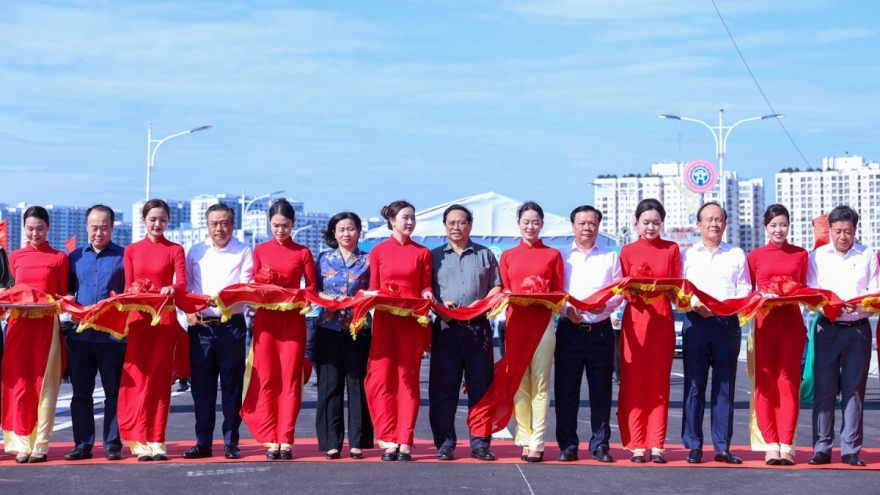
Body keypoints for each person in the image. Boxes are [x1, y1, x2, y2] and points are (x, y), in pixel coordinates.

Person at [242, 198, 316, 460]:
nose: (280, 231)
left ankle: (286, 437)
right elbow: (252, 283)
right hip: (266, 323)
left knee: (290, 381)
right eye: (275, 225)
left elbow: (312, 288)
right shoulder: (260, 250)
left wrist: (298, 296)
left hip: (293, 322)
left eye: (285, 225)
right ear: (269, 224)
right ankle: (271, 438)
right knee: (267, 379)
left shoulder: (303, 252)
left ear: (293, 224)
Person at [806, 205, 878, 467]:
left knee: (854, 390)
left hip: (857, 329)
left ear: (855, 230)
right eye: (837, 231)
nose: (843, 237)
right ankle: (822, 447)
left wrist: (860, 307)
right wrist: (830, 305)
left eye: (848, 231)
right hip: (827, 328)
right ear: (831, 230)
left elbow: (875, 290)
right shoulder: (818, 256)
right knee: (824, 390)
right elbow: (812, 294)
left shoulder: (867, 254)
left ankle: (850, 449)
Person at [429, 204, 502, 461]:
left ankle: (480, 443)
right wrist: (440, 306)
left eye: (461, 222)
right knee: (443, 389)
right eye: (451, 223)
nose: (456, 227)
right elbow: (427, 292)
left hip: (478, 329)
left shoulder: (485, 255)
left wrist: (479, 305)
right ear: (445, 226)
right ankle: (445, 442)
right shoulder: (434, 256)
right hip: (446, 328)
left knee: (480, 388)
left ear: (470, 225)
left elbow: (497, 287)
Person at [680, 202, 751, 464]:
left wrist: (731, 305)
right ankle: (694, 445)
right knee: (694, 386)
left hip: (726, 324)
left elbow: (744, 288)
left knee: (724, 386)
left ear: (725, 223)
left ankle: (722, 446)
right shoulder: (686, 255)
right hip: (695, 323)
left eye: (719, 219)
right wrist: (693, 304)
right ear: (698, 224)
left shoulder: (736, 254)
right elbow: (680, 293)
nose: (714, 224)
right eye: (708, 219)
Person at [182, 204, 254, 460]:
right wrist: (188, 312)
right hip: (201, 327)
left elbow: (245, 288)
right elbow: (186, 287)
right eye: (214, 223)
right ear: (207, 225)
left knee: (232, 386)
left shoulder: (244, 251)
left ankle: (231, 441)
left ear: (232, 225)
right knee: (202, 386)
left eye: (224, 223)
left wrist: (222, 302)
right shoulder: (196, 251)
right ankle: (203, 441)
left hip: (231, 326)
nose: (219, 228)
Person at [120, 198, 188, 461]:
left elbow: (182, 282)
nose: (157, 224)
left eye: (162, 220)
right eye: (152, 219)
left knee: (160, 382)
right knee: (137, 379)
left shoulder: (175, 250)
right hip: (138, 321)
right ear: (143, 220)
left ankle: (157, 439)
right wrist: (136, 291)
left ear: (168, 221)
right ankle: (139, 441)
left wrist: (172, 288)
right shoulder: (132, 250)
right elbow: (127, 287)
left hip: (164, 320)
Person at [365, 200, 433, 462]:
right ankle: (388, 439)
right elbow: (373, 287)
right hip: (385, 321)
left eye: (413, 217)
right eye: (405, 217)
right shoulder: (378, 251)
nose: (410, 222)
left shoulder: (422, 252)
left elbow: (426, 287)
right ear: (392, 221)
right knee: (382, 379)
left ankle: (405, 439)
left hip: (411, 323)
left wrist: (427, 294)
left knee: (407, 380)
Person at [555, 205, 622, 463]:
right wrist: (567, 310)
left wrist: (605, 306)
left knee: (601, 391)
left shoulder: (610, 257)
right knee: (566, 391)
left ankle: (600, 444)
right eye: (582, 223)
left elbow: (618, 293)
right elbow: (555, 292)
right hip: (570, 330)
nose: (587, 228)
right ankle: (568, 445)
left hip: (600, 332)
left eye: (592, 223)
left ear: (598, 226)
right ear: (572, 226)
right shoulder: (561, 257)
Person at [1, 206, 68, 463]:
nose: (35, 233)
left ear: (48, 227)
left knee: (44, 385)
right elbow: (9, 291)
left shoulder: (59, 257)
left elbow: (63, 293)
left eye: (40, 228)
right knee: (17, 384)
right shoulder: (14, 256)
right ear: (24, 228)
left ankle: (40, 443)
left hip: (45, 327)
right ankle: (20, 443)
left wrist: (64, 300)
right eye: (30, 228)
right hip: (18, 325)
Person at [617, 198, 681, 464]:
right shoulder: (627, 251)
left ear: (662, 223)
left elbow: (679, 289)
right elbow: (620, 288)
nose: (651, 227)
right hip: (634, 321)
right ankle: (636, 444)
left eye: (656, 222)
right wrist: (633, 290)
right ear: (636, 222)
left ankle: (657, 444)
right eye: (646, 222)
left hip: (662, 322)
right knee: (634, 382)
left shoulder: (672, 249)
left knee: (658, 383)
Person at [500, 201, 564, 463]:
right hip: (515, 324)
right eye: (526, 222)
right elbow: (505, 291)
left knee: (540, 383)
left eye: (535, 222)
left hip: (543, 324)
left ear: (542, 224)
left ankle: (537, 442)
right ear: (518, 224)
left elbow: (559, 295)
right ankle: (523, 438)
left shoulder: (553, 255)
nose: (530, 226)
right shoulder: (507, 256)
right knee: (519, 384)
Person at [746, 203, 809, 465]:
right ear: (765, 227)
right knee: (765, 384)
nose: (778, 230)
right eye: (773, 225)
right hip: (764, 323)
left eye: (783, 224)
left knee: (788, 383)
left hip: (791, 324)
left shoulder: (801, 255)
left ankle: (788, 444)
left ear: (789, 226)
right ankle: (770, 443)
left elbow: (806, 288)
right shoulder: (755, 256)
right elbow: (747, 291)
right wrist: (760, 296)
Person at [65, 205, 127, 462]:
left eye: (104, 227)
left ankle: (112, 443)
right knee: (81, 392)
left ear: (112, 227)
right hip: (80, 335)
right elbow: (67, 291)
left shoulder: (125, 257)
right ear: (86, 227)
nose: (99, 232)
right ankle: (82, 444)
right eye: (94, 227)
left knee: (113, 392)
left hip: (112, 337)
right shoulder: (74, 257)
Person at [313, 211, 374, 460]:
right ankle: (331, 441)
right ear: (334, 233)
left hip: (359, 328)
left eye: (351, 228)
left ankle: (358, 440)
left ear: (359, 231)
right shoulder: (323, 259)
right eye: (341, 229)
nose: (346, 233)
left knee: (357, 383)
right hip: (328, 326)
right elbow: (314, 289)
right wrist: (327, 299)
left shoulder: (369, 260)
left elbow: (374, 291)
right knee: (330, 385)